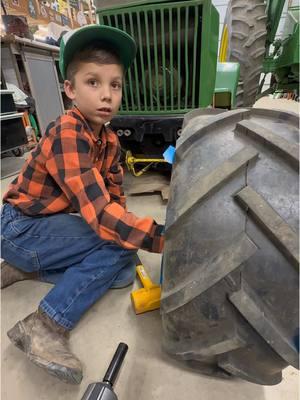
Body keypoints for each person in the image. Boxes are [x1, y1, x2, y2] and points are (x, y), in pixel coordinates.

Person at [1, 25, 164, 385]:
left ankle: (24, 269)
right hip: (19, 229)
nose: (106, 95)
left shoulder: (107, 140)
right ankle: (44, 325)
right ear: (70, 89)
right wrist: (161, 237)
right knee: (116, 242)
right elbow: (102, 216)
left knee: (122, 271)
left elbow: (115, 201)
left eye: (115, 84)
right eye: (93, 82)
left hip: (43, 228)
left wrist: (131, 235)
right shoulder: (68, 131)